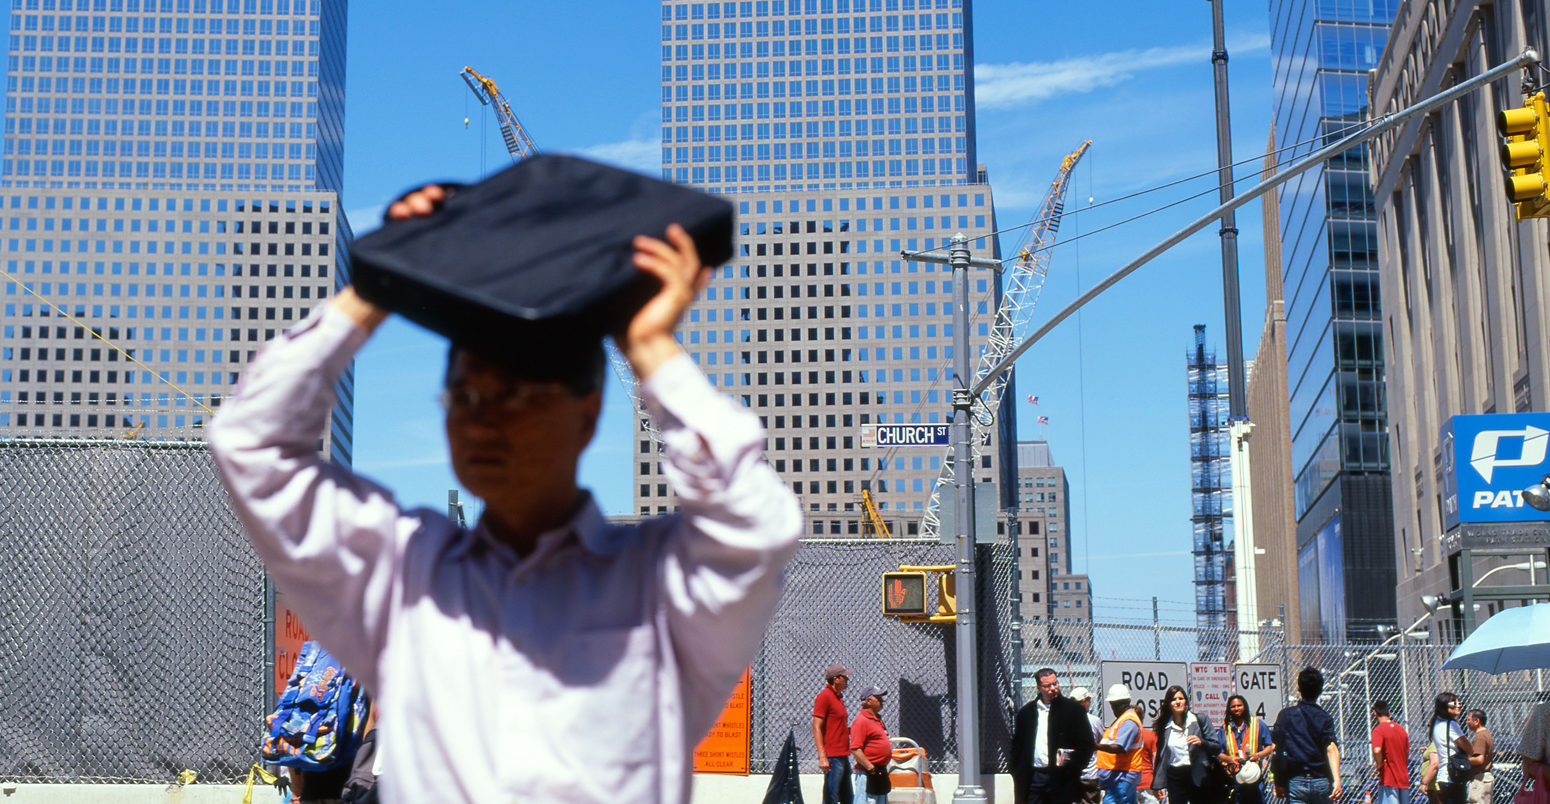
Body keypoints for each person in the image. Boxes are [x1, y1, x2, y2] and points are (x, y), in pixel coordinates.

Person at [209, 187, 804, 803]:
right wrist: (376, 287)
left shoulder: (656, 588)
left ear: (588, 412)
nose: (483, 420)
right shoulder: (404, 574)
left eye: (515, 396)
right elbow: (250, 441)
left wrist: (649, 345)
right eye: (463, 396)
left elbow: (757, 525)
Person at [1011, 668, 1098, 804]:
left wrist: (1073, 768)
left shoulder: (1073, 710)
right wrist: (1017, 771)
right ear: (1039, 688)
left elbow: (1086, 745)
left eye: (1055, 684)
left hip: (1062, 778)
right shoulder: (1027, 713)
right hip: (1033, 778)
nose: (1053, 688)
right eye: (1047, 686)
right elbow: (1017, 746)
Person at [1270, 667, 1341, 804]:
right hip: (1321, 779)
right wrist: (1337, 779)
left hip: (1296, 780)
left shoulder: (1286, 716)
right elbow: (1331, 748)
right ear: (1320, 690)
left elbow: (1276, 749)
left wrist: (1278, 780)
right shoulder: (1324, 718)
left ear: (1298, 688)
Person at [1150, 685, 1223, 804]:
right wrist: (1156, 784)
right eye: (1174, 700)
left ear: (1186, 701)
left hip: (1198, 775)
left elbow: (1216, 747)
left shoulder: (1200, 720)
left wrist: (1202, 742)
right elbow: (1160, 756)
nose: (1178, 702)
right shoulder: (1165, 727)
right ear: (1169, 704)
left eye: (1181, 698)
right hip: (1175, 777)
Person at [1219, 694, 1273, 804]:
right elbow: (1219, 753)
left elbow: (1269, 747)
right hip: (1235, 777)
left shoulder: (1257, 724)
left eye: (1239, 705)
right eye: (1233, 706)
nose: (1236, 709)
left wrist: (1258, 755)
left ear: (1245, 707)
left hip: (1254, 777)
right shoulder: (1225, 729)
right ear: (1229, 709)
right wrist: (1230, 759)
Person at [1095, 684, 1144, 804]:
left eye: (1112, 705)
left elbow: (1119, 747)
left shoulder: (1128, 721)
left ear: (1118, 705)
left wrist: (1094, 745)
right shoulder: (1123, 719)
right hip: (1120, 776)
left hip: (1122, 776)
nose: (1112, 709)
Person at [813, 663, 853, 804]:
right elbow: (817, 726)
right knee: (831, 797)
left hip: (843, 755)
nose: (847, 681)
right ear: (836, 679)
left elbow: (837, 726)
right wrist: (822, 756)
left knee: (847, 797)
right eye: (845, 677)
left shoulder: (838, 698)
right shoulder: (824, 696)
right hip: (832, 757)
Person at [1428, 693, 1474, 804]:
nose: (1458, 706)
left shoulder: (1435, 723)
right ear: (1445, 706)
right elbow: (1469, 749)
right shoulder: (1451, 725)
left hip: (1443, 776)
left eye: (1459, 703)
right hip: (1454, 776)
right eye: (1454, 703)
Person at [850, 685, 892, 804]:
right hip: (868, 773)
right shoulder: (861, 721)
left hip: (880, 771)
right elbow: (855, 748)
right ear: (868, 701)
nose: (881, 701)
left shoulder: (877, 720)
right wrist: (870, 767)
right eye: (878, 698)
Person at [1370, 699, 1410, 804]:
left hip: (1388, 777)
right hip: (1403, 777)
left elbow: (1377, 750)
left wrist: (1379, 765)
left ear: (1375, 713)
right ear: (1389, 712)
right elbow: (1406, 752)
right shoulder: (1401, 729)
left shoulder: (1378, 730)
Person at [1074, 687, 1105, 804]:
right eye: (1088, 700)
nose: (1089, 703)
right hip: (1090, 774)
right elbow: (1103, 741)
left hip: (1072, 772)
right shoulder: (1094, 720)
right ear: (1083, 701)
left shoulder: (1066, 719)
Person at [1463, 709, 1493, 804]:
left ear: (1477, 721)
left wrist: (1463, 759)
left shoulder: (1480, 736)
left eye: (1469, 719)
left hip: (1480, 779)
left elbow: (1479, 759)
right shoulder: (1485, 734)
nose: (1467, 722)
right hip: (1483, 778)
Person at [1135, 702, 1160, 804]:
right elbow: (1156, 760)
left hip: (1132, 781)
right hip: (1148, 781)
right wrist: (1159, 783)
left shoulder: (1125, 737)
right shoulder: (1151, 735)